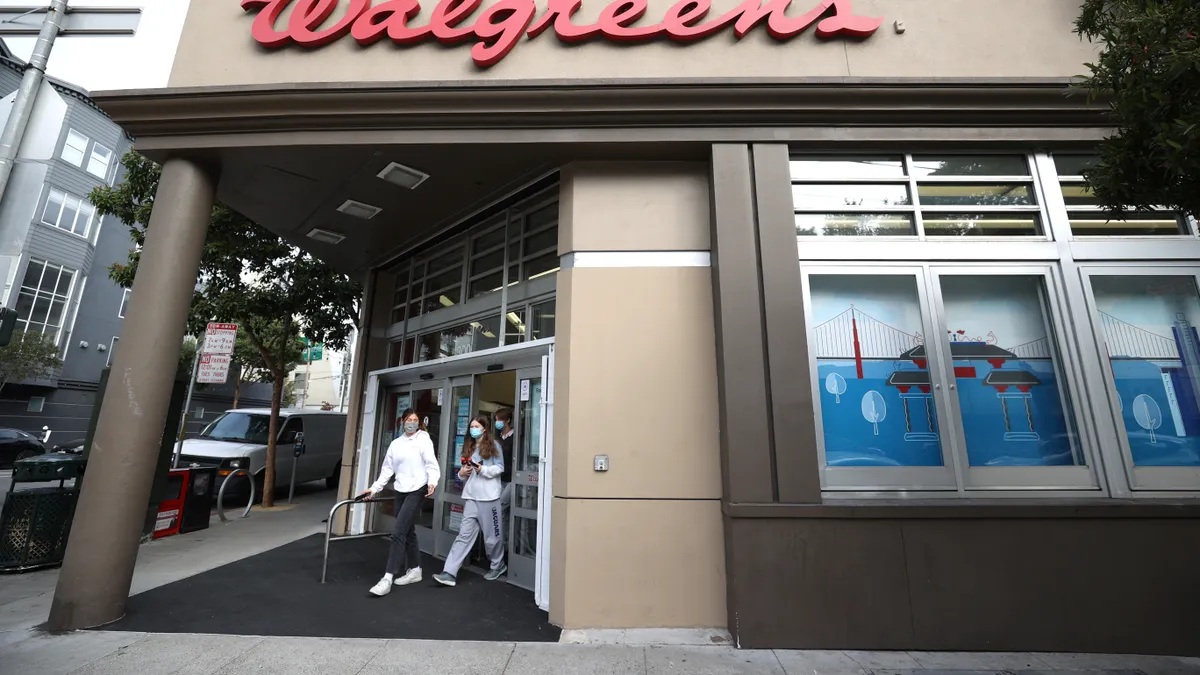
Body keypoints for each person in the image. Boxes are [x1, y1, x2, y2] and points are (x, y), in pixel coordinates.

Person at [358, 408, 439, 597]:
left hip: (417, 489)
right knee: (408, 531)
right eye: (409, 419)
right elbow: (387, 470)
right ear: (402, 421)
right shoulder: (396, 444)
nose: (412, 422)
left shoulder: (424, 439)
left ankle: (387, 578)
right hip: (401, 490)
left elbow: (431, 463)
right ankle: (415, 569)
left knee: (398, 532)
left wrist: (432, 481)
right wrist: (374, 488)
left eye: (415, 419)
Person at [433, 415, 506, 586]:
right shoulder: (470, 446)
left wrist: (483, 469)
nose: (473, 429)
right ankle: (449, 572)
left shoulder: (494, 445)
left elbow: (500, 468)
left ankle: (498, 564)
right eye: (471, 426)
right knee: (463, 536)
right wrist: (461, 473)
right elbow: (461, 472)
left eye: (476, 426)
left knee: (491, 537)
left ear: (484, 428)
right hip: (471, 497)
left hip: (489, 498)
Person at [494, 408, 515, 548]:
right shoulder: (497, 438)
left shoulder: (515, 437)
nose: (497, 423)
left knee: (501, 508)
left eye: (499, 419)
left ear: (507, 420)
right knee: (501, 513)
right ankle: (504, 544)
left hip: (511, 479)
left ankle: (504, 545)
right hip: (498, 479)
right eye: (496, 420)